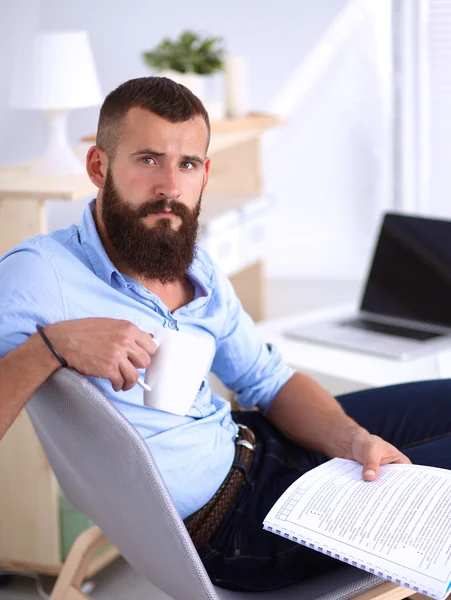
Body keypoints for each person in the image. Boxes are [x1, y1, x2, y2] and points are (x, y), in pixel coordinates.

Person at [1, 76, 451, 593]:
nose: (170, 186)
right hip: (237, 527)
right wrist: (49, 347)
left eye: (187, 164)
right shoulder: (37, 276)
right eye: (148, 160)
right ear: (98, 167)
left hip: (258, 440)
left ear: (205, 173)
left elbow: (267, 379)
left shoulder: (192, 261)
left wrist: (350, 440)